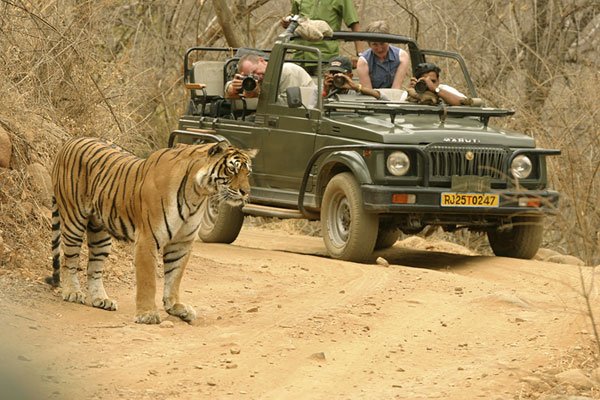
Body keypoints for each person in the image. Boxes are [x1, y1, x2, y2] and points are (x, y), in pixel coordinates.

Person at [281, 0, 366, 74]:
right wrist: (286, 22)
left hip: (324, 57)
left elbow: (354, 23)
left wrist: (360, 55)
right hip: (299, 55)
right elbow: (294, 19)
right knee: (294, 90)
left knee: (324, 89)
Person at [225, 53, 315, 100]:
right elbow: (231, 87)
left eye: (255, 71)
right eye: (251, 76)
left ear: (261, 61)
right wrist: (232, 88)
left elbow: (286, 104)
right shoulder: (260, 78)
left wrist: (258, 93)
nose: (257, 76)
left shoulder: (286, 71)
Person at [357, 20, 410, 90]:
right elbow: (368, 91)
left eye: (382, 43)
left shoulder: (402, 57)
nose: (380, 49)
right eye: (375, 44)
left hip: (394, 96)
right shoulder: (363, 61)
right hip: (372, 97)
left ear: (388, 41)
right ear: (369, 44)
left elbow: (396, 88)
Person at [322, 56, 386, 100]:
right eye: (332, 73)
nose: (336, 76)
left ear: (350, 76)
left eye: (340, 74)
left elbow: (383, 99)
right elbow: (314, 111)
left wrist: (357, 87)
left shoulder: (356, 91)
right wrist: (325, 92)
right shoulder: (322, 89)